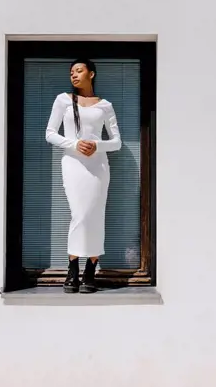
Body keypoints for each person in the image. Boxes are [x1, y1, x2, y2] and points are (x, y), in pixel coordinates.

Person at [45, 59, 122, 293]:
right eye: (71, 72)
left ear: (92, 74)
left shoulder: (105, 106)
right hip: (73, 164)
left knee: (96, 215)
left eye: (79, 71)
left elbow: (117, 142)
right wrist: (76, 144)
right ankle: (72, 267)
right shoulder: (63, 100)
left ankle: (90, 270)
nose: (74, 75)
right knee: (79, 214)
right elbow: (50, 133)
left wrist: (96, 146)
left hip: (98, 167)